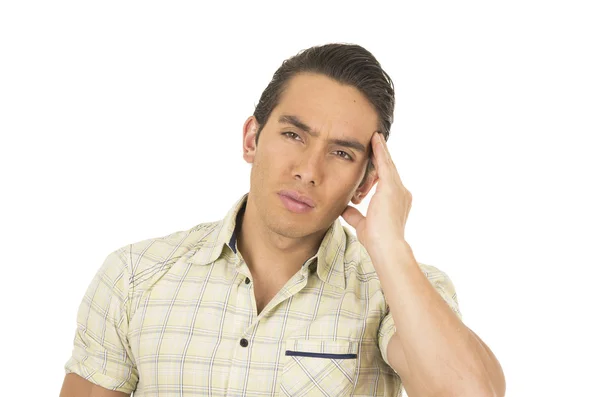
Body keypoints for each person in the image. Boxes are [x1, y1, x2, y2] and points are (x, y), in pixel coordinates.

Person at [60, 43, 505, 397]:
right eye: (293, 135)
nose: (309, 170)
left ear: (366, 183)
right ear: (252, 138)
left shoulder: (397, 292)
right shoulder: (135, 276)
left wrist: (391, 250)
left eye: (342, 153)